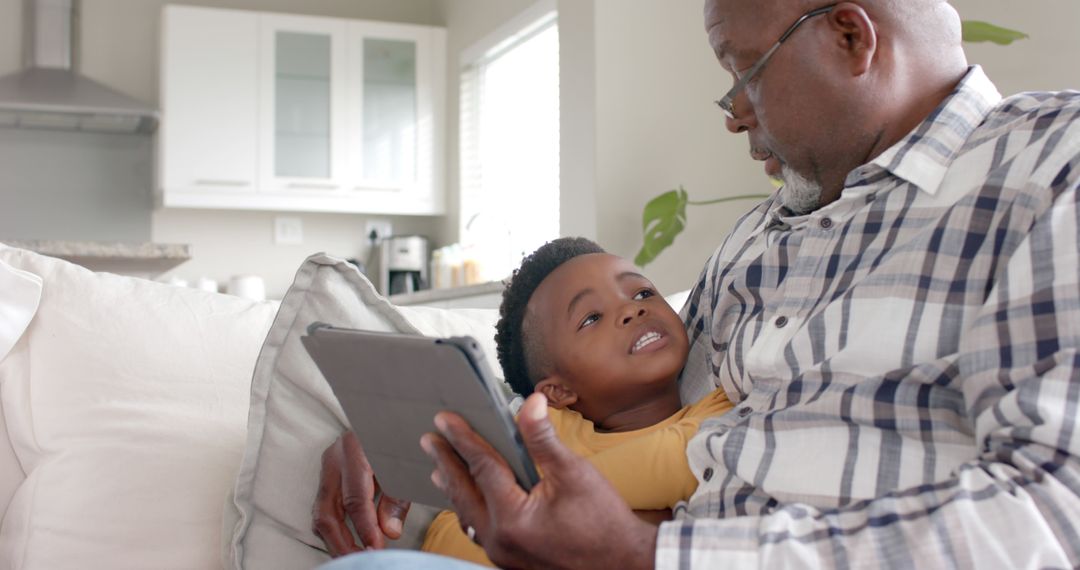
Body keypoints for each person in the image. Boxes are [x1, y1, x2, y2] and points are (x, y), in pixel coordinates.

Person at [315, 0, 1080, 567]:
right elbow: (615, 395)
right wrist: (431, 436)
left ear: (850, 36)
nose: (735, 114)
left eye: (742, 71)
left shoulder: (1052, 169)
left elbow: (1054, 516)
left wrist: (647, 556)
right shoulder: (758, 237)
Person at [420, 237, 732, 566]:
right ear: (558, 392)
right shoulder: (545, 428)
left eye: (643, 293)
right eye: (591, 318)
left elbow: (684, 460)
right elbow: (452, 526)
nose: (632, 309)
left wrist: (534, 504)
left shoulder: (721, 407)